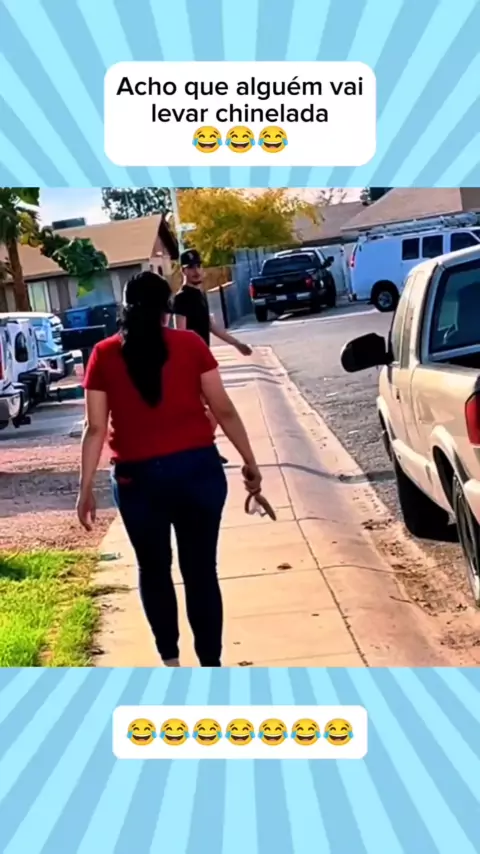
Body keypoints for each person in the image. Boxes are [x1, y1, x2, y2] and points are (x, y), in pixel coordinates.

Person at [76, 271, 261, 668]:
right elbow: (223, 408)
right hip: (197, 471)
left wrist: (85, 488)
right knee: (201, 572)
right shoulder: (190, 344)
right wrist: (249, 461)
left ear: (125, 307)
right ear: (166, 308)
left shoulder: (104, 354)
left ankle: (171, 662)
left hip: (137, 479)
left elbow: (95, 429)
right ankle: (210, 665)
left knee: (153, 569)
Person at [172, 248, 252, 463]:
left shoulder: (200, 294)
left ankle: (204, 449)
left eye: (198, 266)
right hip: (191, 365)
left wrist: (237, 344)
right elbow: (180, 333)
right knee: (211, 409)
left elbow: (210, 326)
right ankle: (200, 451)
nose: (196, 271)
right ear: (183, 271)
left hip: (203, 362)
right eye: (191, 267)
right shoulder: (181, 299)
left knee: (207, 410)